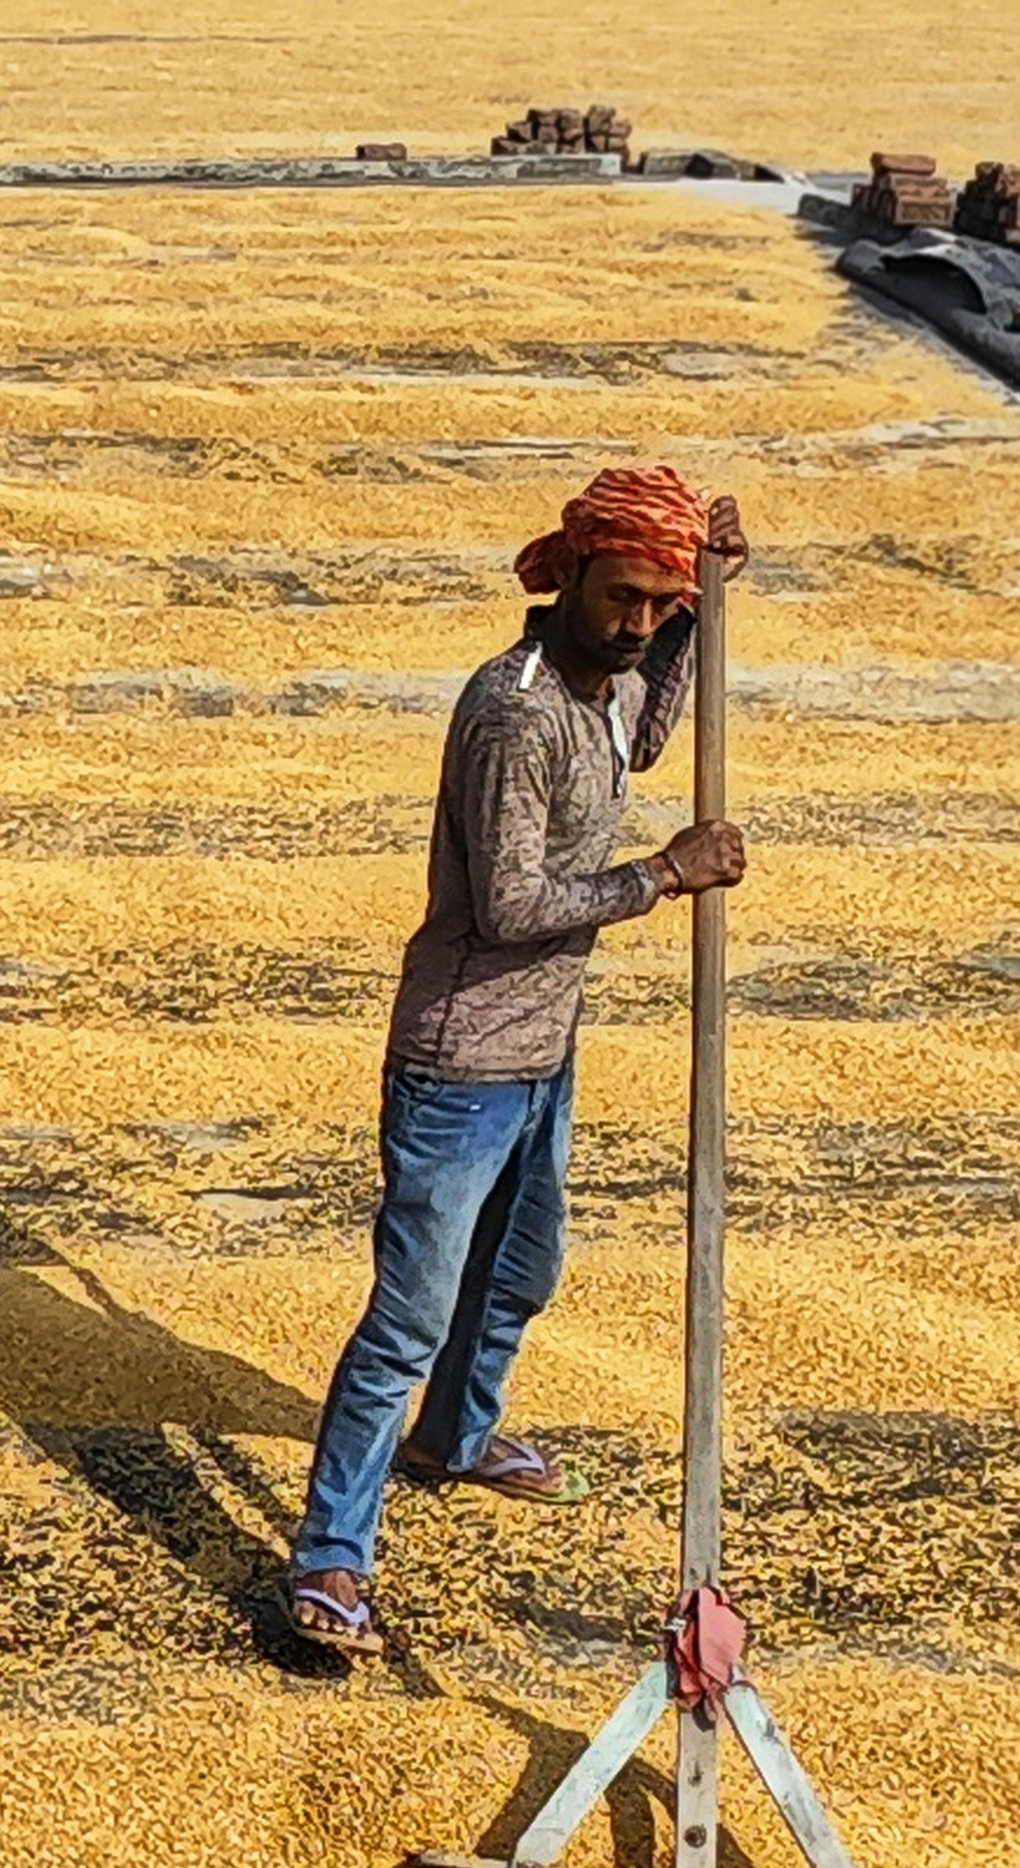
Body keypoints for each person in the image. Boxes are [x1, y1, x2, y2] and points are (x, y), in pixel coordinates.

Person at [277, 459, 751, 1657]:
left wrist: (705, 605)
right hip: (460, 1057)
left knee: (525, 1270)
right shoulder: (515, 710)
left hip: (545, 1047)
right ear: (571, 573)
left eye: (657, 600)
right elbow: (509, 905)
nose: (638, 621)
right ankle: (332, 1553)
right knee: (410, 1316)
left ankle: (456, 1435)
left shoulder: (603, 687)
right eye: (627, 596)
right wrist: (662, 876)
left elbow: (639, 742)